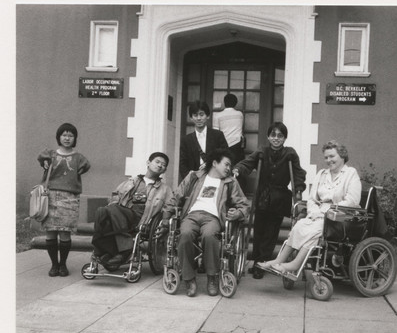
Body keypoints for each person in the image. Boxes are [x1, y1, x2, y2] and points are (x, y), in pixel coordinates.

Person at [257, 140, 362, 274]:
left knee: (316, 230)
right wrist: (314, 212)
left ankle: (295, 264)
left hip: (340, 216)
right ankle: (279, 260)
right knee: (300, 225)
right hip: (319, 213)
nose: (328, 160)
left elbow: (352, 200)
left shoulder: (350, 174)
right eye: (326, 157)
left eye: (332, 156)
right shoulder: (322, 174)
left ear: (342, 155)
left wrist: (328, 212)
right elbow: (312, 198)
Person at [160, 148, 250, 297]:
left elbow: (244, 204)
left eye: (230, 166)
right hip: (191, 214)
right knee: (185, 235)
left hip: (213, 217)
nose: (229, 169)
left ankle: (212, 278)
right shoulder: (194, 177)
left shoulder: (230, 182)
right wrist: (166, 216)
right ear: (215, 163)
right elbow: (176, 196)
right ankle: (189, 279)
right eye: (226, 164)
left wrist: (237, 213)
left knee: (209, 236)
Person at [233, 122, 306, 279]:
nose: (276, 138)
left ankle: (263, 263)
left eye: (280, 135)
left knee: (271, 233)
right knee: (259, 231)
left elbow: (298, 173)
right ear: (268, 136)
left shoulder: (290, 154)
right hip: (262, 196)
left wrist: (298, 188)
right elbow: (248, 163)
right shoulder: (262, 151)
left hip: (279, 198)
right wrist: (238, 170)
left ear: (285, 138)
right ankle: (257, 262)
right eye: (273, 135)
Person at [91, 152, 172, 266]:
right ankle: (103, 250)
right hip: (121, 214)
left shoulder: (165, 189)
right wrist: (112, 210)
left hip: (142, 219)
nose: (160, 166)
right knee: (102, 211)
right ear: (148, 163)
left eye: (163, 165)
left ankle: (125, 250)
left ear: (164, 170)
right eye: (157, 162)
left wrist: (164, 224)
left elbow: (170, 208)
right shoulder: (132, 181)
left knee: (113, 209)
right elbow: (115, 196)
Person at [37, 123, 91, 277]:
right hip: (50, 197)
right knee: (51, 234)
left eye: (70, 135)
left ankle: (63, 264)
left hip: (70, 198)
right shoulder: (50, 154)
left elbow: (86, 166)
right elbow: (41, 158)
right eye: (64, 135)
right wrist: (45, 162)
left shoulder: (79, 157)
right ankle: (54, 265)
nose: (67, 138)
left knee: (65, 234)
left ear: (74, 138)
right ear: (59, 137)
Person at [179, 100, 228, 180]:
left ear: (208, 116)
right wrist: (189, 176)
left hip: (215, 177)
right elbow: (182, 163)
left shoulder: (218, 135)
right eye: (195, 115)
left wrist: (210, 164)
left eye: (202, 115)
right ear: (191, 118)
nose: (198, 118)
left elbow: (225, 156)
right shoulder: (186, 140)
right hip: (194, 180)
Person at [212, 93, 245, 165]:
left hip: (223, 145)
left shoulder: (218, 115)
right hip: (237, 145)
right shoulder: (240, 114)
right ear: (235, 103)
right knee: (236, 168)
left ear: (224, 102)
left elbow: (216, 133)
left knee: (224, 167)